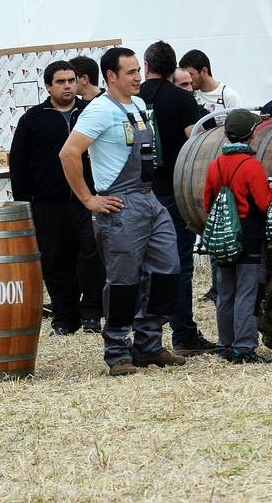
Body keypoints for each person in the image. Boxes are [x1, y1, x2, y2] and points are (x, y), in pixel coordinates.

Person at [58, 47, 184, 377]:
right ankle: (117, 351)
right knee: (124, 282)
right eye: (130, 72)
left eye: (137, 71)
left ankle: (148, 344)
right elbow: (69, 154)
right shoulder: (99, 110)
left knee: (168, 270)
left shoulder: (140, 105)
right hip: (119, 204)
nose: (138, 77)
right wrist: (89, 199)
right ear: (111, 76)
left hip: (149, 198)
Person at [9, 61, 105, 334]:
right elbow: (19, 164)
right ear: (48, 86)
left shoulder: (91, 113)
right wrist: (26, 204)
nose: (67, 86)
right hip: (48, 205)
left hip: (88, 200)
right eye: (61, 81)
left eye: (71, 80)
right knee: (56, 262)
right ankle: (64, 318)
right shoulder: (32, 120)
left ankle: (91, 314)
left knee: (92, 256)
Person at [140, 41, 217, 357]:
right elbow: (199, 142)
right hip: (174, 192)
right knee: (180, 264)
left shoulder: (132, 99)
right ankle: (183, 335)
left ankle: (145, 334)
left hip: (139, 190)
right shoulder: (182, 99)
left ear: (146, 66)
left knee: (143, 266)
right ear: (174, 69)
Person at [202, 109, 272, 363]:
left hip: (223, 238)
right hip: (249, 236)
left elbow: (207, 203)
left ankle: (225, 344)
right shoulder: (251, 166)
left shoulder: (214, 165)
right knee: (248, 292)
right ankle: (244, 347)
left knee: (226, 293)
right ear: (252, 134)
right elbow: (265, 204)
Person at [179, 49, 243, 113]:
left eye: (190, 74)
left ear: (204, 71)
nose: (188, 79)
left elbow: (239, 121)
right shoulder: (190, 95)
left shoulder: (228, 96)